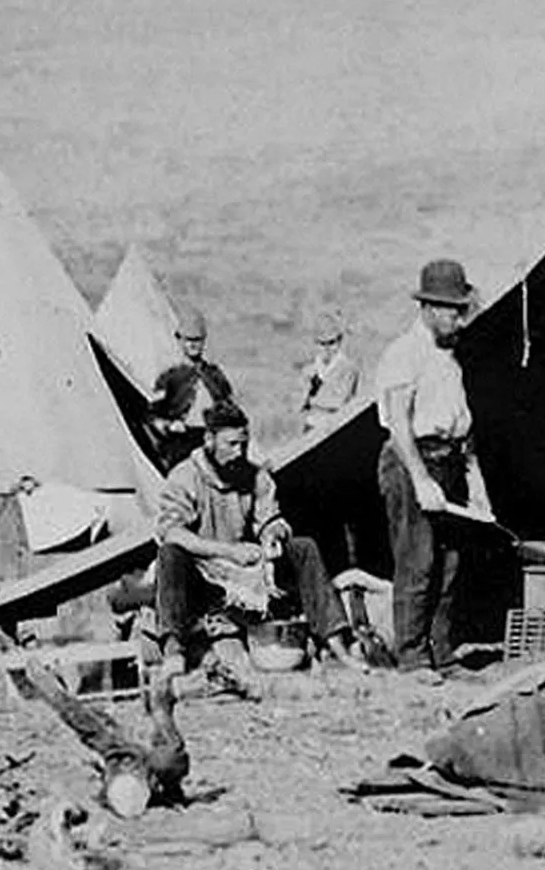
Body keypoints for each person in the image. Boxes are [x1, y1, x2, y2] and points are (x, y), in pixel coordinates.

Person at [153, 402, 364, 678]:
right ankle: (173, 649)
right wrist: (228, 552)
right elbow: (171, 531)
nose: (238, 452)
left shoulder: (254, 475)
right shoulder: (185, 476)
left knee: (303, 547)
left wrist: (272, 535)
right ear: (209, 440)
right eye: (230, 444)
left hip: (244, 574)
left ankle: (336, 641)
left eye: (243, 443)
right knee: (170, 553)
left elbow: (270, 517)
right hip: (203, 573)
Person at [375, 259, 493, 672]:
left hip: (449, 462)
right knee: (418, 559)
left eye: (461, 310)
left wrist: (475, 484)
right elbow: (399, 425)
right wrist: (421, 480)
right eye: (451, 310)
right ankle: (411, 656)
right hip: (412, 461)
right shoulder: (403, 353)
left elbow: (463, 429)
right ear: (426, 308)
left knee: (451, 562)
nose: (459, 319)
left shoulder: (449, 358)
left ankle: (440, 651)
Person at [149, 307, 235, 472]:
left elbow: (229, 407)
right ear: (180, 340)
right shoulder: (169, 377)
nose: (193, 344)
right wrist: (169, 426)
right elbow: (153, 418)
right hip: (181, 443)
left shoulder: (215, 375)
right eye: (189, 340)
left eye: (198, 340)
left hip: (210, 442)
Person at [300, 312, 361, 432]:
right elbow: (300, 403)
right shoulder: (310, 370)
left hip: (336, 427)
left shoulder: (349, 369)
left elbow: (341, 402)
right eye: (322, 344)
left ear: (339, 341)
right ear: (316, 343)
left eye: (331, 343)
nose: (327, 348)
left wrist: (313, 401)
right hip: (312, 425)